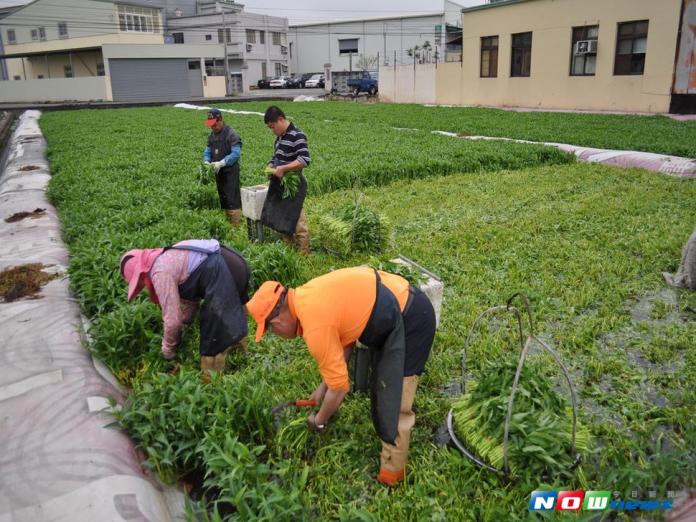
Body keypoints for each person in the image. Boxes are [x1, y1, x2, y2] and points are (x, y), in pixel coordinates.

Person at [246, 266, 436, 486]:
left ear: (277, 321)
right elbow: (343, 342)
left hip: (412, 318)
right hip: (397, 304)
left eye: (270, 331)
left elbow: (340, 388)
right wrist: (322, 389)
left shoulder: (315, 324)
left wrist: (319, 421)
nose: (276, 335)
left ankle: (392, 474)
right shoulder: (307, 295)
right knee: (384, 382)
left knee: (396, 397)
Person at [120, 239, 250, 380]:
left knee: (213, 338)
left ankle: (212, 386)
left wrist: (167, 351)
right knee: (233, 321)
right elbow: (190, 302)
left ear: (141, 274)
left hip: (222, 269)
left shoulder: (160, 272)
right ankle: (243, 365)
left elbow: (172, 320)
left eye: (139, 282)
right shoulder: (168, 256)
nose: (142, 286)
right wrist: (185, 325)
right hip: (235, 263)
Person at [261, 105, 311, 254]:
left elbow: (304, 160)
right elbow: (276, 157)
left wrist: (283, 169)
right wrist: (272, 165)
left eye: (272, 126)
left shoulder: (297, 135)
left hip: (293, 186)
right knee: (283, 219)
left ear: (280, 120)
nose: (272, 130)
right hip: (281, 185)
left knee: (298, 222)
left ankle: (304, 254)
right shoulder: (280, 138)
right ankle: (288, 251)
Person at [204, 109, 243, 227]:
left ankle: (236, 226)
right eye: (211, 125)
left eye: (215, 124)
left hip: (230, 172)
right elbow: (208, 150)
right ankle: (229, 224)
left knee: (232, 200)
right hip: (218, 172)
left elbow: (236, 153)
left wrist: (222, 162)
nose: (213, 127)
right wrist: (206, 161)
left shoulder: (231, 134)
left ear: (221, 120)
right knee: (224, 199)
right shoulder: (212, 135)